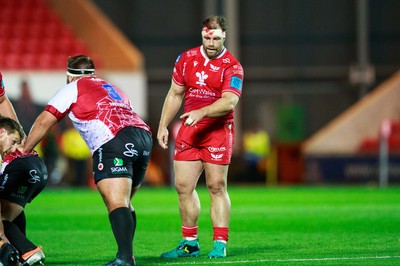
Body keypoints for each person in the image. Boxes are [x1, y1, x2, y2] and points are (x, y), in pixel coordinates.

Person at [21, 55, 152, 266]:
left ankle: (125, 258)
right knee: (125, 202)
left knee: (117, 202)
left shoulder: (73, 87)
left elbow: (44, 121)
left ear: (69, 75)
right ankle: (127, 254)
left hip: (113, 139)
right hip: (143, 137)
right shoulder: (113, 87)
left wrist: (24, 150)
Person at [157, 15, 244, 259]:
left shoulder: (232, 66)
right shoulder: (186, 59)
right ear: (202, 35)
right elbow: (175, 93)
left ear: (224, 36)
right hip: (189, 130)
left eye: (216, 38)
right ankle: (190, 243)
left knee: (216, 186)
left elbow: (230, 101)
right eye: (207, 37)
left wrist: (203, 111)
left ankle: (219, 243)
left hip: (217, 131)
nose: (211, 42)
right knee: (183, 186)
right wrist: (163, 125)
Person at [0, 116, 47, 266]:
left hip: (21, 168)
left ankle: (27, 250)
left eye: (16, 142)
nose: (14, 148)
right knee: (12, 208)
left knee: (1, 217)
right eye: (13, 143)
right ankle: (19, 251)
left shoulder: (9, 155)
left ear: (1, 133)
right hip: (39, 168)